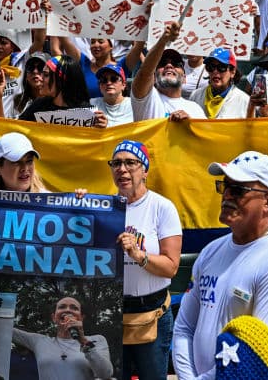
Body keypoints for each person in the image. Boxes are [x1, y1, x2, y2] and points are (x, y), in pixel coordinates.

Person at [173, 152, 268, 379]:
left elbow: (253, 356)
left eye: (238, 190)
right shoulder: (210, 251)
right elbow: (184, 328)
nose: (227, 195)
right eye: (225, 186)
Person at [107, 140, 181, 380]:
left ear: (145, 170)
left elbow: (171, 267)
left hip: (150, 315)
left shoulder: (162, 207)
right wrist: (81, 204)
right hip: (111, 312)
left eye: (131, 162)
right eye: (116, 163)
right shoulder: (104, 207)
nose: (122, 169)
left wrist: (140, 256)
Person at [12, 295, 114, 380]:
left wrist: (83, 340)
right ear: (54, 317)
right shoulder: (39, 341)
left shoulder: (96, 340)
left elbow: (105, 374)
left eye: (74, 308)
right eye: (62, 307)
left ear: (81, 317)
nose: (68, 310)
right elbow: (6, 330)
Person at [130, 21, 205, 121]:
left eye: (176, 63)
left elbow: (206, 135)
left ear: (184, 78)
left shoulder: (195, 109)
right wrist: (163, 40)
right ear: (155, 77)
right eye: (162, 63)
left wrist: (190, 123)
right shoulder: (148, 99)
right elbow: (145, 73)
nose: (169, 65)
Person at [190, 48, 251, 119]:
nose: (215, 71)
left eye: (221, 67)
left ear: (232, 72)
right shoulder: (195, 96)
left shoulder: (244, 101)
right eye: (211, 67)